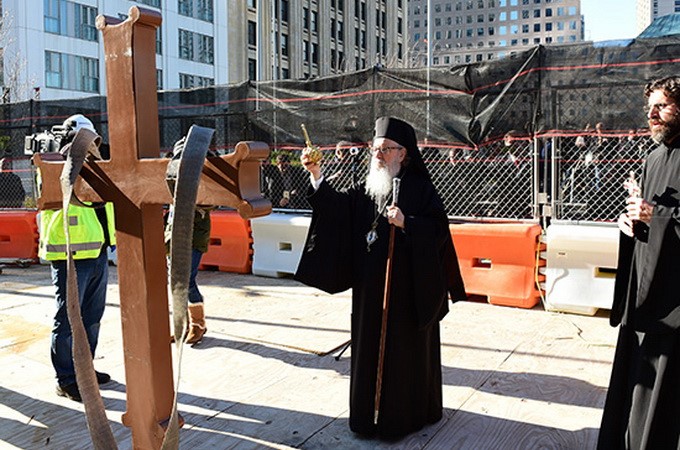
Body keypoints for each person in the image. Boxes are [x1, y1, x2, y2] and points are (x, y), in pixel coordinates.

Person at [295, 116, 466, 440]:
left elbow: (439, 232)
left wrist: (407, 223)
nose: (379, 155)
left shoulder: (420, 188)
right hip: (369, 288)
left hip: (406, 291)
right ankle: (366, 416)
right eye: (376, 149)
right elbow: (339, 209)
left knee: (402, 353)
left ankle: (402, 417)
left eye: (386, 149)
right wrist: (316, 175)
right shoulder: (369, 186)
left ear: (404, 153)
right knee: (369, 346)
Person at [598, 76, 680, 448]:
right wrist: (629, 225)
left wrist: (656, 215)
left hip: (674, 305)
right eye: (649, 108)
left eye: (661, 106)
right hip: (644, 295)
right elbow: (648, 219)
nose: (652, 114)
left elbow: (661, 217)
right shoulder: (651, 158)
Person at [38, 114, 116, 402]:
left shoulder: (96, 168)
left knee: (92, 318)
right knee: (68, 320)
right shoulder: (55, 167)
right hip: (70, 255)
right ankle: (67, 379)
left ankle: (84, 371)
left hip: (97, 251)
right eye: (86, 140)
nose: (92, 146)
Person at [164, 137, 212, 344]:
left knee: (186, 281)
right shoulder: (172, 177)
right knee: (175, 283)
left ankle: (198, 324)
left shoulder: (204, 179)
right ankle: (182, 325)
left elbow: (212, 203)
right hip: (172, 235)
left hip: (192, 236)